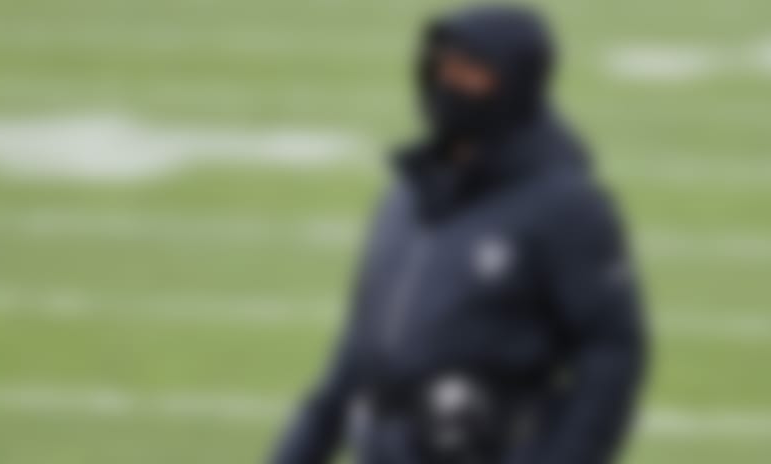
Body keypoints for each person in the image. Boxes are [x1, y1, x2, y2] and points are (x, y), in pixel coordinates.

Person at [272, 5, 646, 464]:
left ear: (516, 82)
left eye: (471, 71)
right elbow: (356, 359)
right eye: (442, 67)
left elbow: (610, 352)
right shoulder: (406, 198)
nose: (449, 84)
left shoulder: (565, 206)